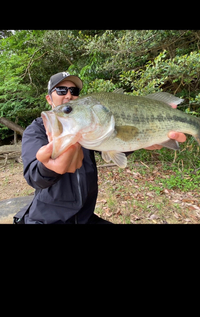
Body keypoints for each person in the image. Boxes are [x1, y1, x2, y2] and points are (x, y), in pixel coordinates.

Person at [13, 72, 186, 224]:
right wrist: (48, 168)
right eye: (61, 90)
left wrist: (144, 140)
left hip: (85, 218)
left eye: (74, 91)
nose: (68, 95)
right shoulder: (35, 131)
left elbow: (113, 142)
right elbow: (34, 176)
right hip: (47, 219)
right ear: (49, 98)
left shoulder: (88, 130)